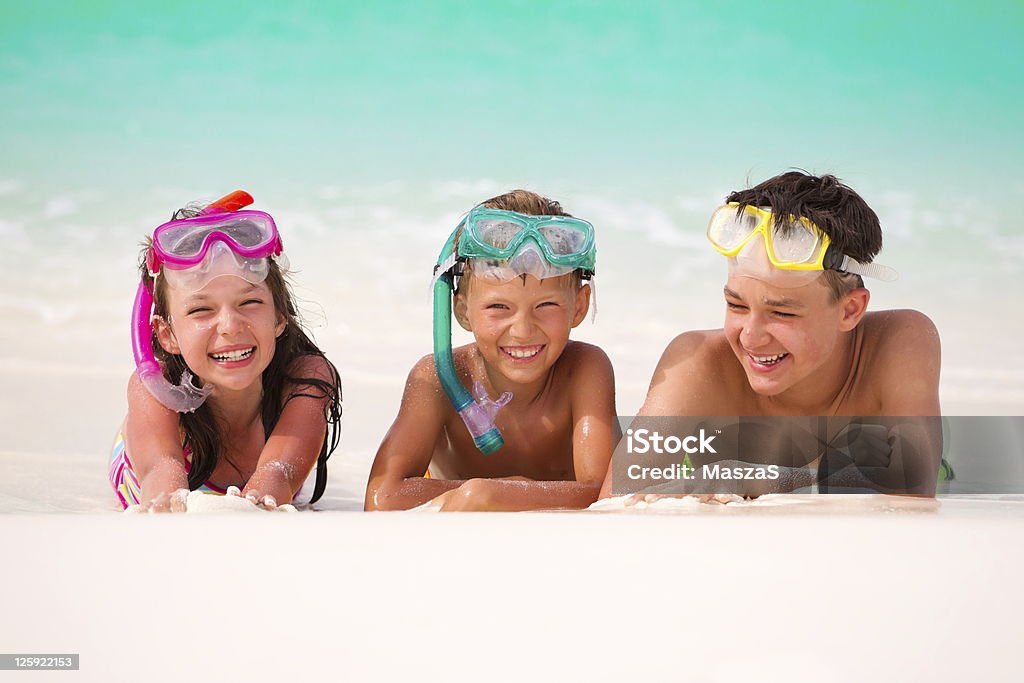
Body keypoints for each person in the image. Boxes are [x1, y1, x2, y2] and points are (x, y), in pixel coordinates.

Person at [600, 171, 942, 500]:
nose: (750, 337)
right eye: (736, 306)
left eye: (782, 313)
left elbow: (915, 485)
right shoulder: (699, 364)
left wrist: (756, 477)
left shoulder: (898, 341)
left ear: (849, 310)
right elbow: (614, 503)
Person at [365, 189, 618, 511]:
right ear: (462, 310)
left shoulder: (583, 368)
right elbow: (381, 498)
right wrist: (493, 491)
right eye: (498, 306)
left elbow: (604, 494)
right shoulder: (437, 378)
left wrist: (502, 495)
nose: (523, 330)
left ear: (579, 306)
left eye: (547, 305)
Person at [109, 190, 342, 511]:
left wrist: (258, 505)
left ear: (279, 316)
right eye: (201, 310)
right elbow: (161, 487)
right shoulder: (155, 389)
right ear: (167, 334)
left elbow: (277, 480)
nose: (231, 326)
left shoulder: (306, 379)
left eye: (250, 302)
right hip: (152, 463)